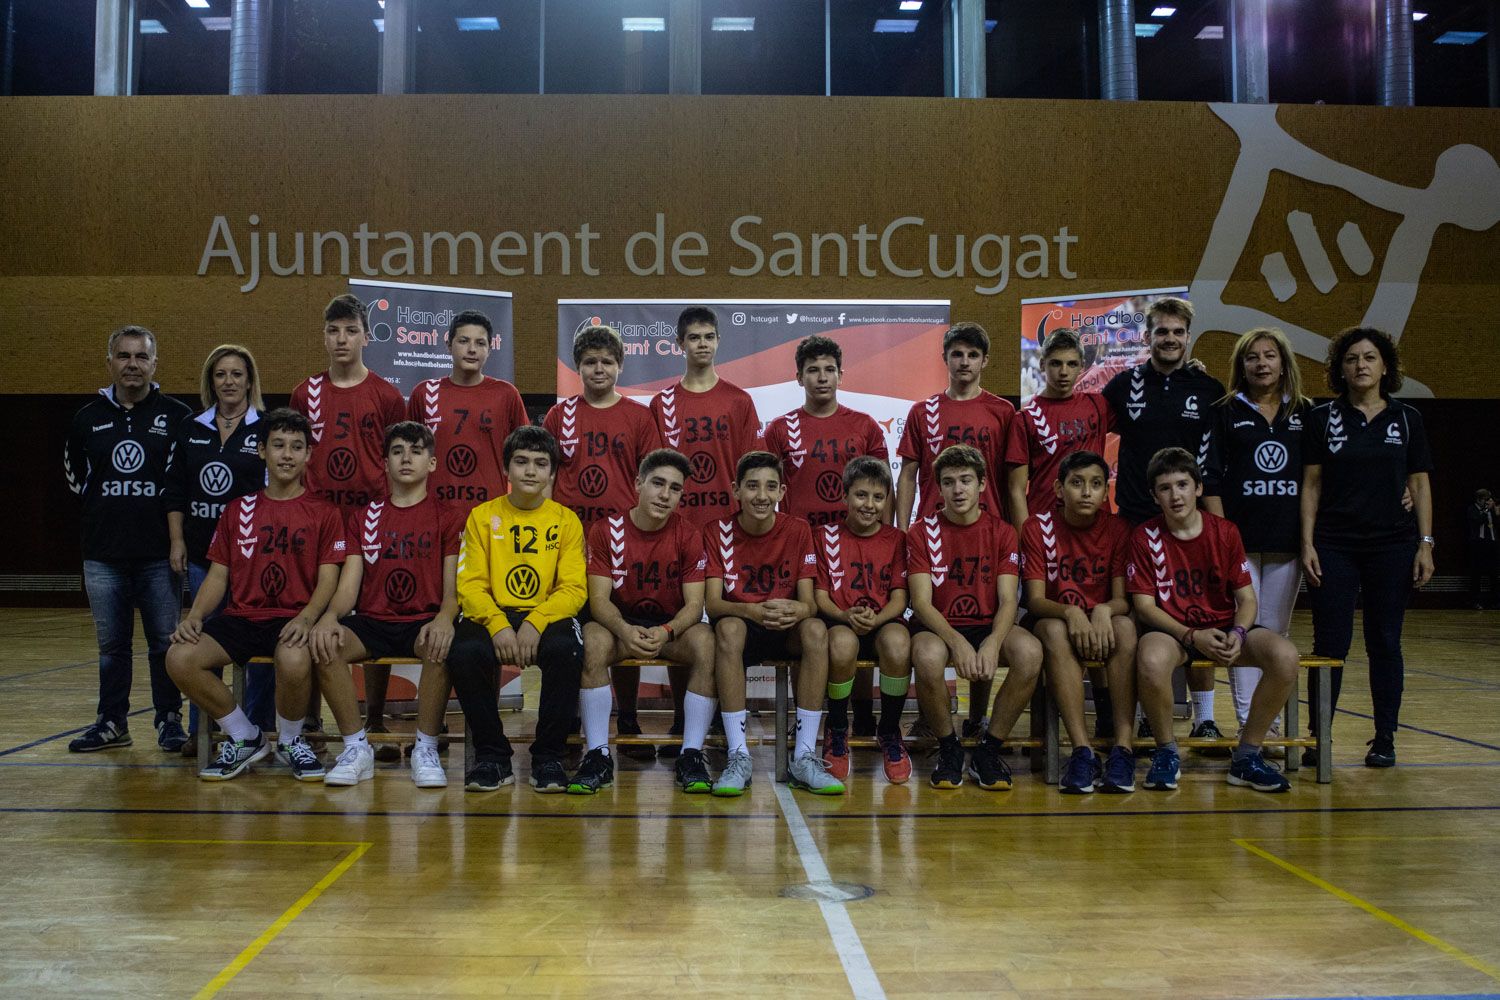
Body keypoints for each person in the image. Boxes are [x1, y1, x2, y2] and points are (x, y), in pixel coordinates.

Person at [165, 409, 347, 781]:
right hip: (243, 616)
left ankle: (291, 741)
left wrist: (307, 617)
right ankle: (245, 736)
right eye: (278, 445)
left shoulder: (324, 512)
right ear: (262, 450)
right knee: (180, 657)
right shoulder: (238, 509)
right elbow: (219, 574)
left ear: (309, 455)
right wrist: (195, 615)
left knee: (295, 660)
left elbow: (329, 578)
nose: (287, 454)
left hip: (294, 616)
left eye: (297, 447)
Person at [1127, 447, 1297, 793]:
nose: (1175, 495)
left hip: (1222, 626)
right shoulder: (1145, 536)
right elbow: (1144, 606)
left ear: (1198, 488)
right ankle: (1166, 752)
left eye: (1182, 485)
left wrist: (1237, 631)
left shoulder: (1225, 532)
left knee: (1285, 656)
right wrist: (1191, 635)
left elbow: (1247, 598)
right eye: (1165, 488)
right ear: (1154, 496)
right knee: (1150, 658)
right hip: (1173, 631)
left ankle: (1247, 756)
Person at [1302, 327, 1434, 768]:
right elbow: (1312, 485)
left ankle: (1384, 738)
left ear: (1385, 366)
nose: (1361, 365)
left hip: (1392, 546)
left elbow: (1420, 483)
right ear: (1340, 368)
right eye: (1352, 358)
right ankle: (1319, 738)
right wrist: (1307, 544)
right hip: (1334, 544)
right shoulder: (1322, 418)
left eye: (1369, 357)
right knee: (1330, 644)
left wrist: (1425, 543)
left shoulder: (1407, 418)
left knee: (1384, 642)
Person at [1100, 296, 1227, 749]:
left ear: (1188, 337)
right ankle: (1134, 717)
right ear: (1146, 337)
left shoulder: (1210, 389)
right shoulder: (1122, 385)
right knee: (1137, 618)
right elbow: (1091, 431)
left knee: (1203, 606)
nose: (1169, 339)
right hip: (1135, 519)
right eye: (1161, 332)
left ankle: (1206, 717)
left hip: (1191, 523)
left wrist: (1217, 526)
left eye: (1177, 332)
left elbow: (1218, 461)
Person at [309, 422, 465, 788]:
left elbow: (452, 588)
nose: (406, 458)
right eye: (397, 451)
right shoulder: (364, 517)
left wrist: (445, 618)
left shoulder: (449, 515)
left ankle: (425, 747)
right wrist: (330, 616)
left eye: (415, 451)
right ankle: (355, 747)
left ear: (432, 463)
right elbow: (350, 585)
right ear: (385, 463)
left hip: (423, 620)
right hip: (373, 621)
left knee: (442, 643)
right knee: (325, 643)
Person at [64, 325, 192, 753]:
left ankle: (169, 719)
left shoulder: (177, 417)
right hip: (103, 554)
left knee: (164, 644)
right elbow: (74, 477)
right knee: (112, 647)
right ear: (110, 363)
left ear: (155, 364)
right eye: (123, 356)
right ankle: (112, 722)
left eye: (141, 356)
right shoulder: (87, 418)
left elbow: (183, 483)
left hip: (159, 554)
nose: (132, 364)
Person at [290, 294, 407, 749]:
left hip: (373, 520)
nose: (341, 339)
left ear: (366, 336)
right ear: (324, 336)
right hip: (321, 523)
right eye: (333, 331)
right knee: (319, 617)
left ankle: (375, 717)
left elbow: (399, 458)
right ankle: (312, 721)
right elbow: (295, 454)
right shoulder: (306, 392)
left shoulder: (386, 394)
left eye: (350, 330)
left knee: (375, 616)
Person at [895, 322, 1022, 741]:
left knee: (985, 616)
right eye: (957, 354)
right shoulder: (923, 411)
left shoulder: (1004, 412)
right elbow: (908, 476)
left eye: (972, 354)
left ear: (984, 361)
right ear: (945, 359)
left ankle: (977, 718)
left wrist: (1020, 535)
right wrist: (902, 528)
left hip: (986, 533)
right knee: (937, 630)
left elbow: (1014, 482)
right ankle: (937, 722)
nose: (964, 361)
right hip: (935, 537)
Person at [545, 324, 665, 755]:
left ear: (620, 366)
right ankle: (575, 719)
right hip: (571, 541)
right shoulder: (560, 416)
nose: (599, 369)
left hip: (623, 541)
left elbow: (650, 478)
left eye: (607, 362)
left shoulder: (637, 416)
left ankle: (629, 718)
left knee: (627, 623)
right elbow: (547, 475)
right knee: (574, 632)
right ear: (578, 368)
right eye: (590, 362)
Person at [447, 426, 586, 793]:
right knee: (464, 651)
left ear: (552, 474)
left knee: (567, 649)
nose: (530, 471)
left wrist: (536, 622)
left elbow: (574, 589)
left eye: (541, 464)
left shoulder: (566, 520)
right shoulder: (481, 516)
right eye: (521, 462)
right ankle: (492, 757)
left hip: (546, 613)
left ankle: (548, 758)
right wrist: (497, 624)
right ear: (505, 470)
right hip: (494, 611)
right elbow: (470, 585)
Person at [763, 334, 889, 736]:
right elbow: (769, 490)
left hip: (855, 544)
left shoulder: (864, 426)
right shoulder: (781, 429)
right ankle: (809, 723)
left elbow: (882, 487)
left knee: (860, 622)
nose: (822, 377)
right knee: (811, 635)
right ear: (798, 377)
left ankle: (864, 713)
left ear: (841, 374)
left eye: (829, 370)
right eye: (813, 370)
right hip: (801, 548)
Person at [577, 449, 715, 795]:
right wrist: (624, 629)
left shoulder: (688, 534)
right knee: (591, 639)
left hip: (670, 626)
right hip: (620, 625)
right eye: (657, 483)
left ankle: (692, 753)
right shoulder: (605, 530)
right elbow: (597, 601)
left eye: (675, 488)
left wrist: (667, 631)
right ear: (639, 484)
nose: (665, 495)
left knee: (707, 642)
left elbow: (695, 604)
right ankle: (597, 754)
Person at [706, 451, 843, 796]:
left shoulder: (797, 530)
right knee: (727, 628)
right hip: (745, 623)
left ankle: (805, 756)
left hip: (786, 627)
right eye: (752, 486)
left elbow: (810, 604)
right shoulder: (716, 530)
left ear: (782, 491)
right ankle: (739, 755)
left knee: (815, 630)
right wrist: (753, 611)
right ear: (736, 490)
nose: (761, 496)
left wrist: (798, 611)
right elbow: (713, 603)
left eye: (770, 487)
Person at [907, 445, 1043, 791]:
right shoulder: (922, 532)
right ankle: (949, 748)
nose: (958, 490)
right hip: (939, 625)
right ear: (938, 488)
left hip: (988, 621)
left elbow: (1008, 599)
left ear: (982, 484)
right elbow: (921, 604)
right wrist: (958, 642)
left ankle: (988, 750)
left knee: (1029, 652)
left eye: (966, 480)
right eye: (949, 482)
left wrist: (994, 642)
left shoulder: (1003, 532)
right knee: (926, 655)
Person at [1202, 327, 1309, 753]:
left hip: (1287, 542)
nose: (1261, 363)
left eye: (1269, 356)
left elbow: (1322, 477)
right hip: (1240, 543)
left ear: (1284, 363)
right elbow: (1208, 479)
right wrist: (1223, 538)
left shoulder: (1305, 413)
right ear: (1241, 366)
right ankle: (1250, 727)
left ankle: (1270, 725)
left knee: (1275, 635)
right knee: (1243, 631)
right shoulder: (1225, 411)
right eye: (1252, 357)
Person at [1005, 327, 1116, 738]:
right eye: (1055, 364)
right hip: (1046, 538)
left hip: (1093, 533)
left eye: (1072, 364)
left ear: (1083, 367)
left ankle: (1106, 716)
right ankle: (1044, 726)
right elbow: (1017, 488)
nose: (1064, 372)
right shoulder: (1026, 417)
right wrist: (1024, 538)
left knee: (1100, 626)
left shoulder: (1098, 406)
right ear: (1042, 366)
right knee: (1051, 626)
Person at [163, 344, 273, 755]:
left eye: (237, 374)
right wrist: (177, 540)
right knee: (203, 642)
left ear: (249, 381)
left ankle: (258, 727)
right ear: (211, 381)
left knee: (257, 646)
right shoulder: (191, 428)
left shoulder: (264, 429)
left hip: (253, 561)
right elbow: (174, 490)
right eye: (221, 374)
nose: (229, 381)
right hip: (201, 558)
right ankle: (202, 730)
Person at [1020, 450, 1137, 793]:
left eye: (1096, 484)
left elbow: (1121, 599)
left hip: (1099, 617)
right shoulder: (1036, 527)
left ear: (1105, 492)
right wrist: (1071, 612)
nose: (1087, 492)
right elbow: (1036, 600)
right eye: (1077, 483)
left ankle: (1123, 748)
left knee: (1126, 626)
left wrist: (1102, 610)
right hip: (1053, 616)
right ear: (1058, 489)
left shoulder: (1117, 528)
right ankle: (1082, 750)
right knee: (1056, 632)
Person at [813, 456, 913, 784]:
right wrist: (844, 615)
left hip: (883, 620)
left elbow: (899, 597)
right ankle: (838, 730)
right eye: (861, 495)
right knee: (841, 644)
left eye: (878, 497)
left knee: (899, 644)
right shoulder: (823, 536)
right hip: (841, 619)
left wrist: (877, 618)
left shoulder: (897, 539)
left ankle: (889, 730)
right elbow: (821, 595)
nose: (869, 505)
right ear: (844, 496)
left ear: (887, 500)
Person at [649, 306, 762, 530]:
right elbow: (653, 472)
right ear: (680, 343)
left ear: (718, 340)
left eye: (709, 337)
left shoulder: (739, 400)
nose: (703, 344)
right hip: (677, 524)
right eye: (694, 338)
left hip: (731, 523)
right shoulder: (662, 403)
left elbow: (754, 468)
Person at [410, 308, 531, 508]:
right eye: (463, 341)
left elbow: (526, 455)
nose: (472, 349)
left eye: (480, 343)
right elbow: (407, 455)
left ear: (490, 350)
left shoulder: (506, 394)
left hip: (490, 514)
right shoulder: (424, 393)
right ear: (448, 345)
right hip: (434, 512)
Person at [1465, 489, 1498, 609]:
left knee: (1493, 574)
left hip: (1491, 544)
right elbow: (1478, 521)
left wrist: (1495, 511)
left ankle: (1494, 601)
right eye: (1486, 499)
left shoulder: (1491, 510)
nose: (1488, 502)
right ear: (1479, 499)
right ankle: (1476, 601)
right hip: (1478, 545)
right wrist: (1486, 510)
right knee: (1476, 574)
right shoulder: (1472, 510)